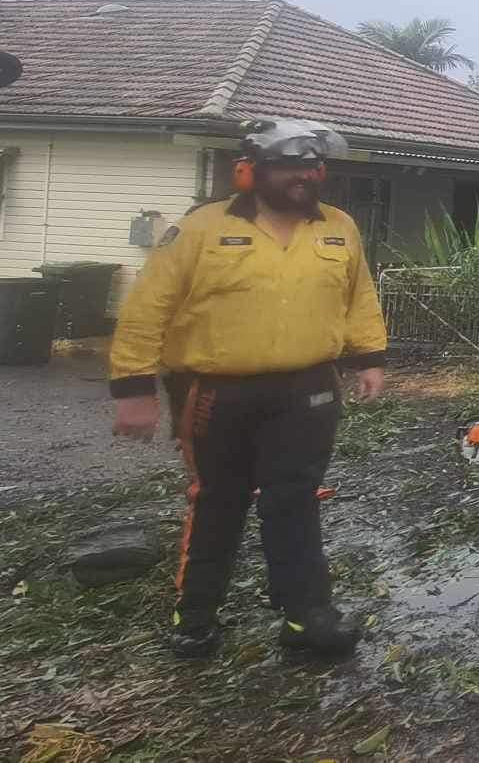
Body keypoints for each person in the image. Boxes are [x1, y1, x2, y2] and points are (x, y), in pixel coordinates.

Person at [108, 119, 388, 660]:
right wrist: (133, 385)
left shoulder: (339, 228)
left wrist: (369, 357)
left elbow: (359, 296)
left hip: (308, 388)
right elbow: (148, 309)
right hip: (216, 391)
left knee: (294, 500)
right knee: (219, 500)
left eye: (311, 168)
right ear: (253, 171)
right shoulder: (201, 229)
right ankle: (195, 619)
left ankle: (308, 618)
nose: (302, 178)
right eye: (287, 168)